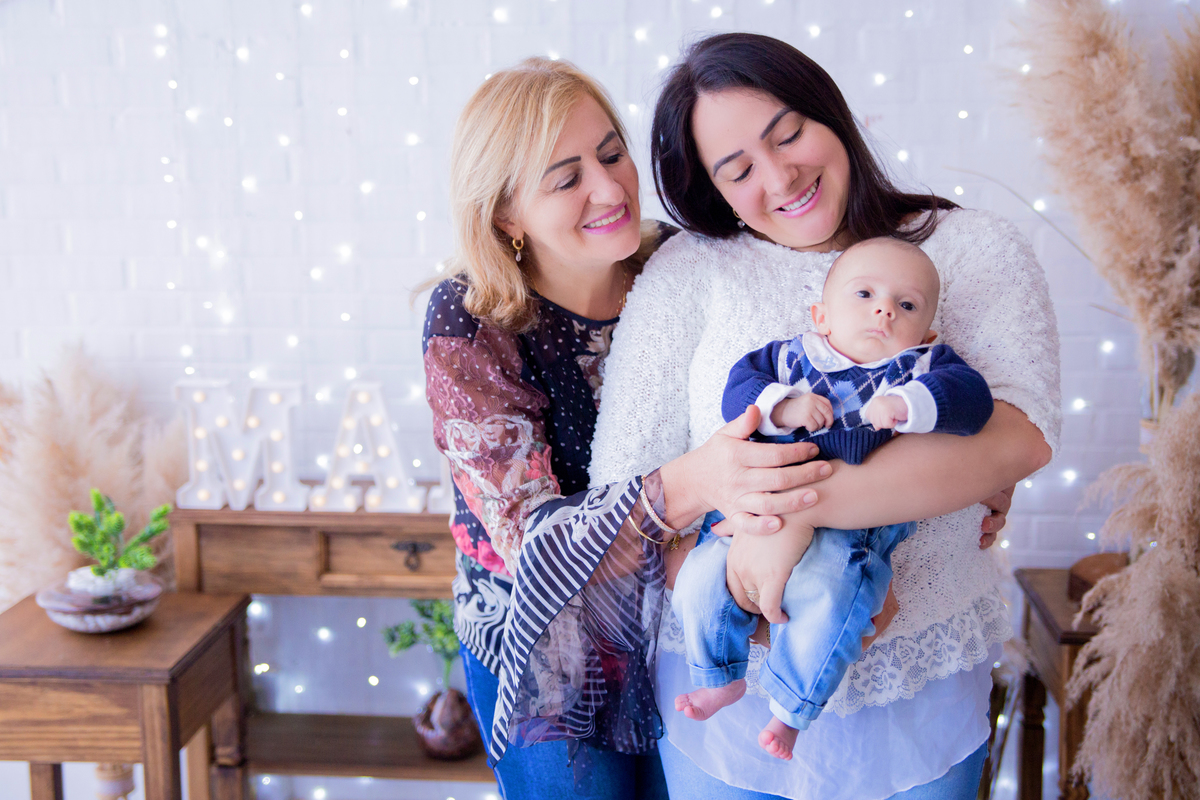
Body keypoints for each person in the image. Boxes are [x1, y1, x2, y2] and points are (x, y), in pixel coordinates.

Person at [493, 32, 1060, 800]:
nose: (781, 173)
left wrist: (783, 517)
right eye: (738, 169)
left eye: (789, 132)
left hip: (918, 679)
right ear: (710, 190)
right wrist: (751, 590)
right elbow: (627, 485)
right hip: (728, 701)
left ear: (830, 113)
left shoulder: (971, 249)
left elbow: (1017, 436)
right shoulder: (687, 272)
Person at [422, 56, 831, 799]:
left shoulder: (677, 263)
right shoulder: (469, 320)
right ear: (507, 213)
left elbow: (822, 349)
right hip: (552, 653)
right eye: (565, 177)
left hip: (680, 624)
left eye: (612, 154)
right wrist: (695, 480)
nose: (610, 189)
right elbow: (532, 545)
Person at [672, 238, 994, 761]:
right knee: (701, 577)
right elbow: (739, 388)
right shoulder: (789, 356)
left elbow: (973, 402)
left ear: (927, 333)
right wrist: (784, 406)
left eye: (906, 305)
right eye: (864, 293)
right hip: (761, 506)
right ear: (822, 315)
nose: (885, 308)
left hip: (856, 524)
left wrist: (909, 403)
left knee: (830, 595)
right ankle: (717, 674)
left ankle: (793, 707)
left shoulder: (922, 366)